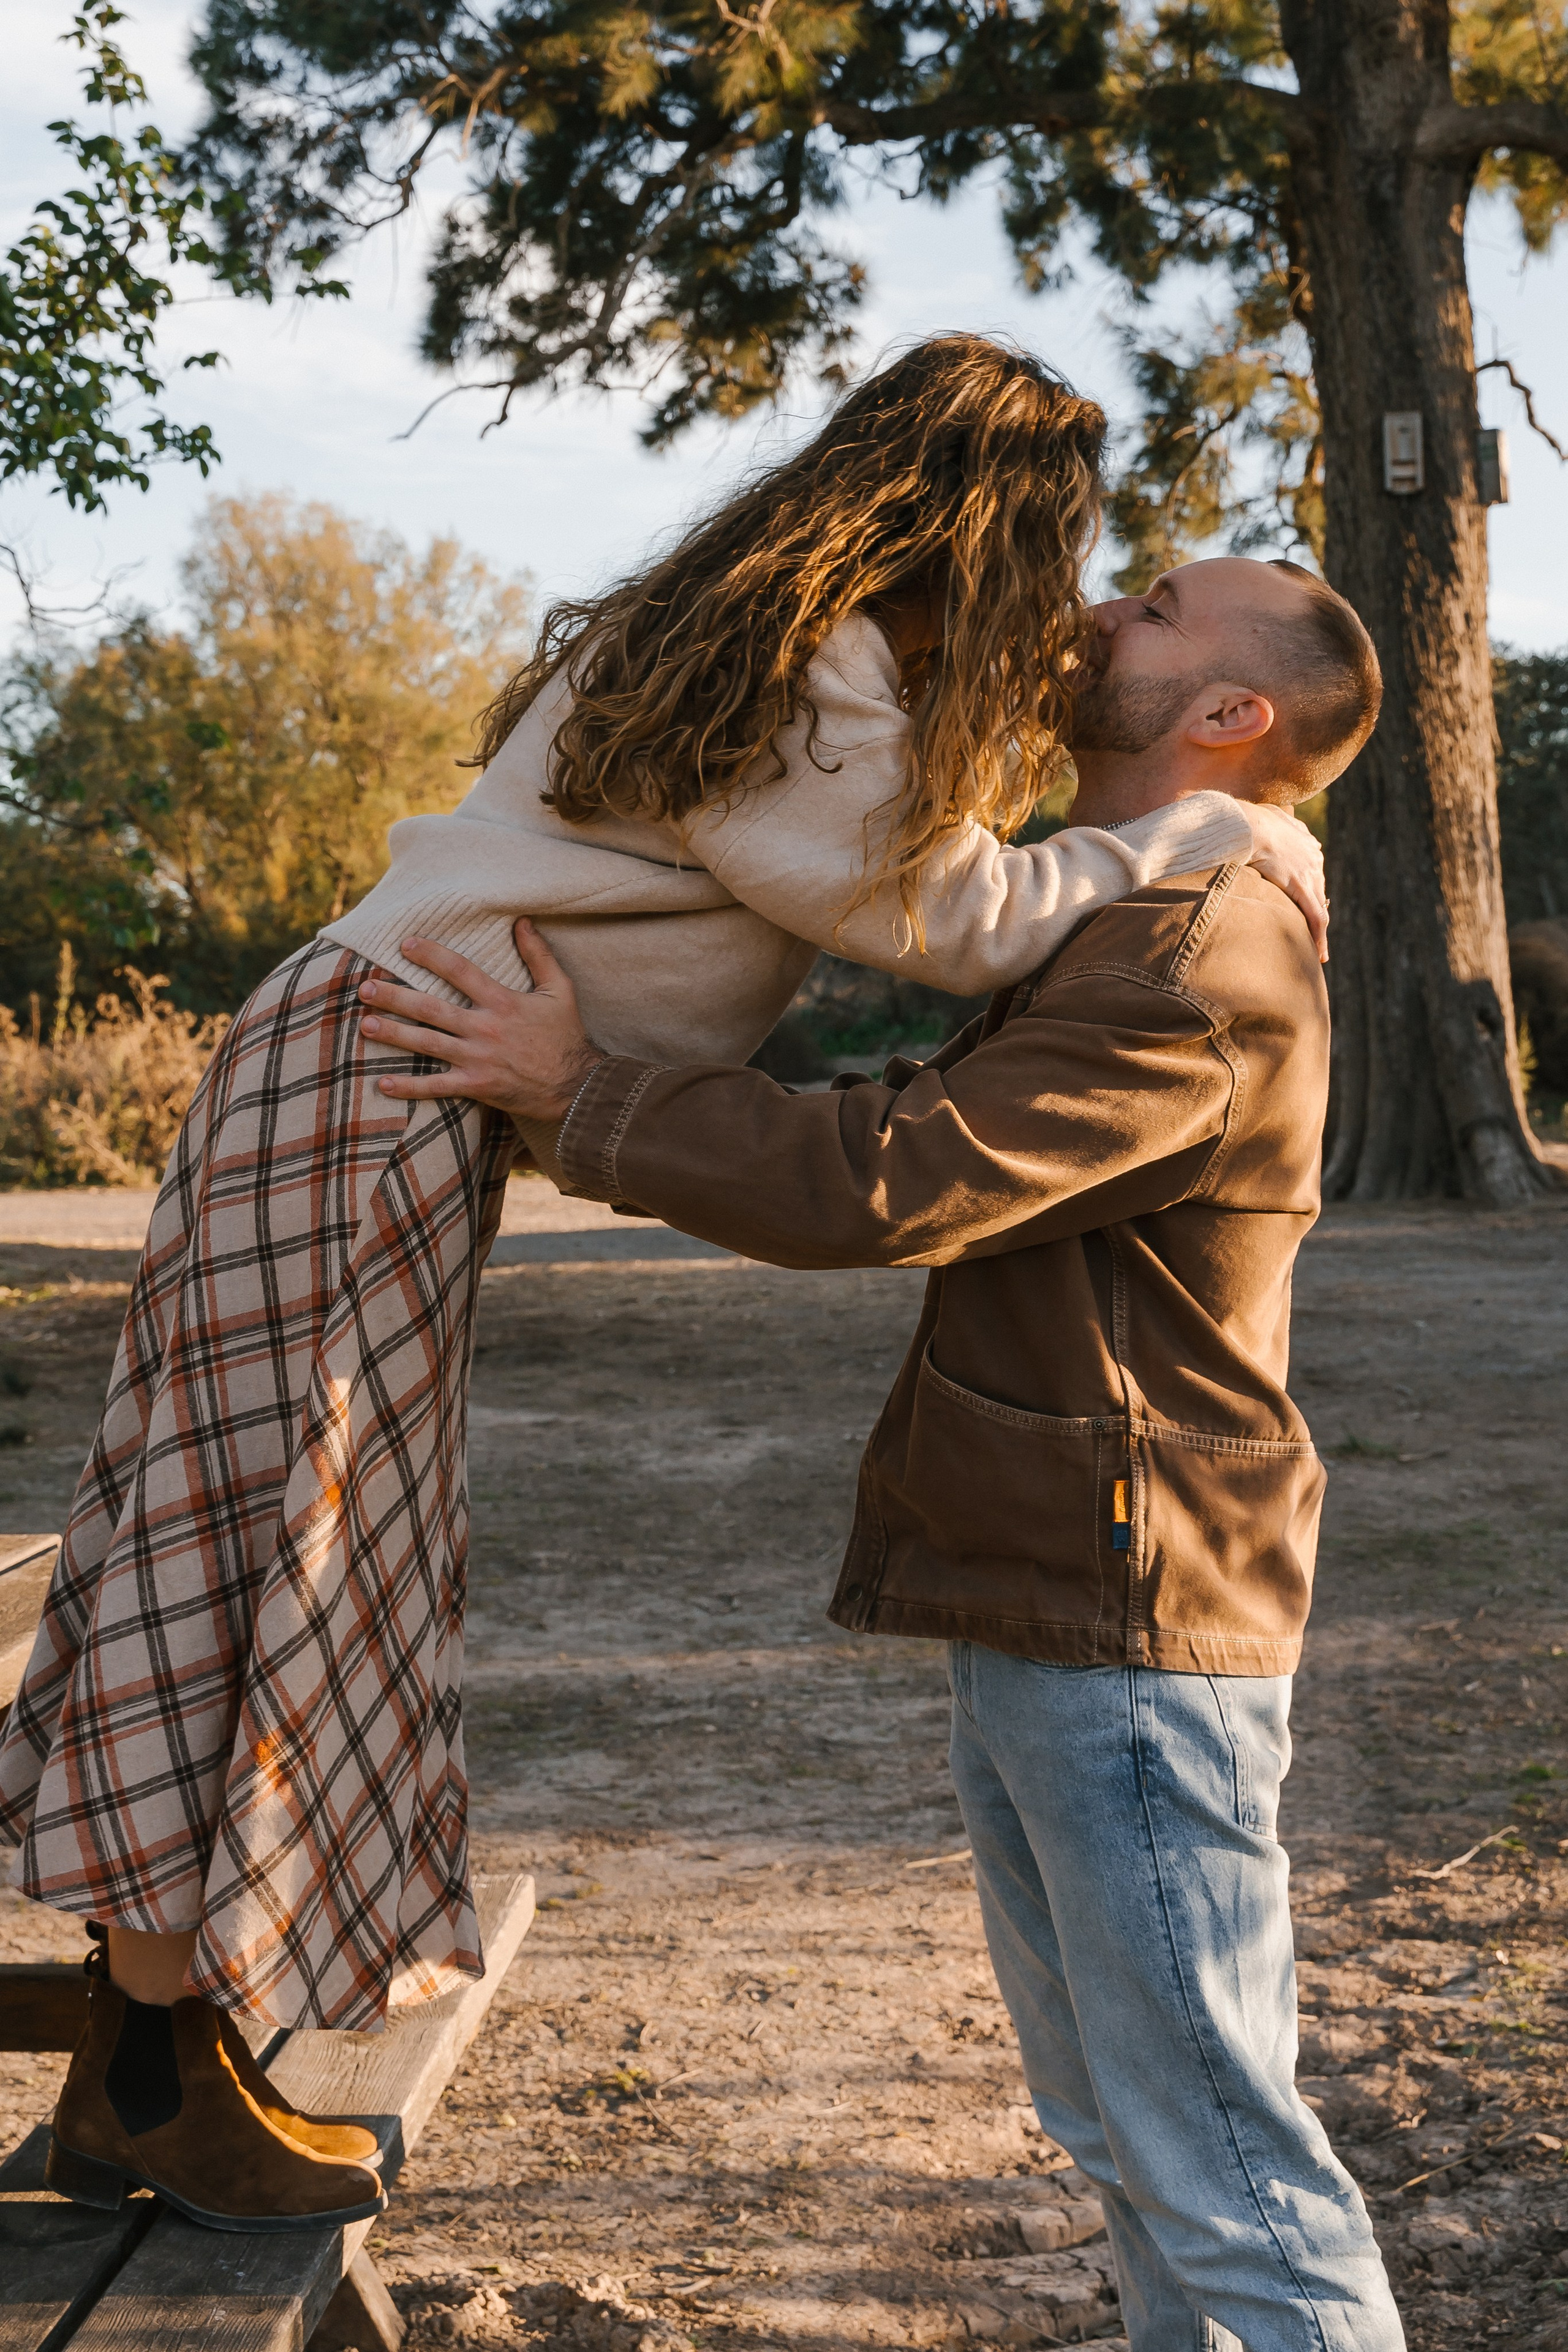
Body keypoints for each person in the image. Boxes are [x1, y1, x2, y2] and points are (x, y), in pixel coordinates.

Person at [0, 339, 1325, 2234]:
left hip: (384, 1082)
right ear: (988, 523)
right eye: (1065, 549)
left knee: (304, 1541)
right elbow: (940, 921)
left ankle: (167, 2056)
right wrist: (1206, 823)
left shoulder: (789, 631)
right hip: (381, 1076)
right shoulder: (814, 664)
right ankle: (151, 2074)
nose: (1073, 596)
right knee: (253, 1543)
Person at [357, 554, 1405, 2351]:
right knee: (1137, 2137)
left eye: (1154, 609)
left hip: (1132, 1619)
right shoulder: (1138, 904)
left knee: (1220, 2161)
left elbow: (899, 1172)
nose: (1088, 614)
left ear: (1237, 718)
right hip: (1064, 1596)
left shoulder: (1197, 945)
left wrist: (576, 1096)